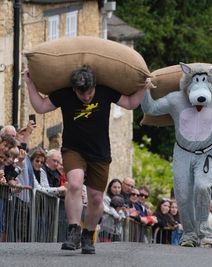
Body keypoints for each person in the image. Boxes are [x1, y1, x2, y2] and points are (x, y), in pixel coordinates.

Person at [24, 65, 151, 254]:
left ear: (94, 86)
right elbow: (41, 106)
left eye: (90, 93)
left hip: (99, 153)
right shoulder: (65, 94)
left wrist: (144, 87)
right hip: (73, 149)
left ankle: (88, 234)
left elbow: (131, 103)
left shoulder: (105, 92)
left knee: (96, 197)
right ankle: (73, 230)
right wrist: (29, 84)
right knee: (74, 184)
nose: (86, 97)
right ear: (74, 89)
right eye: (81, 94)